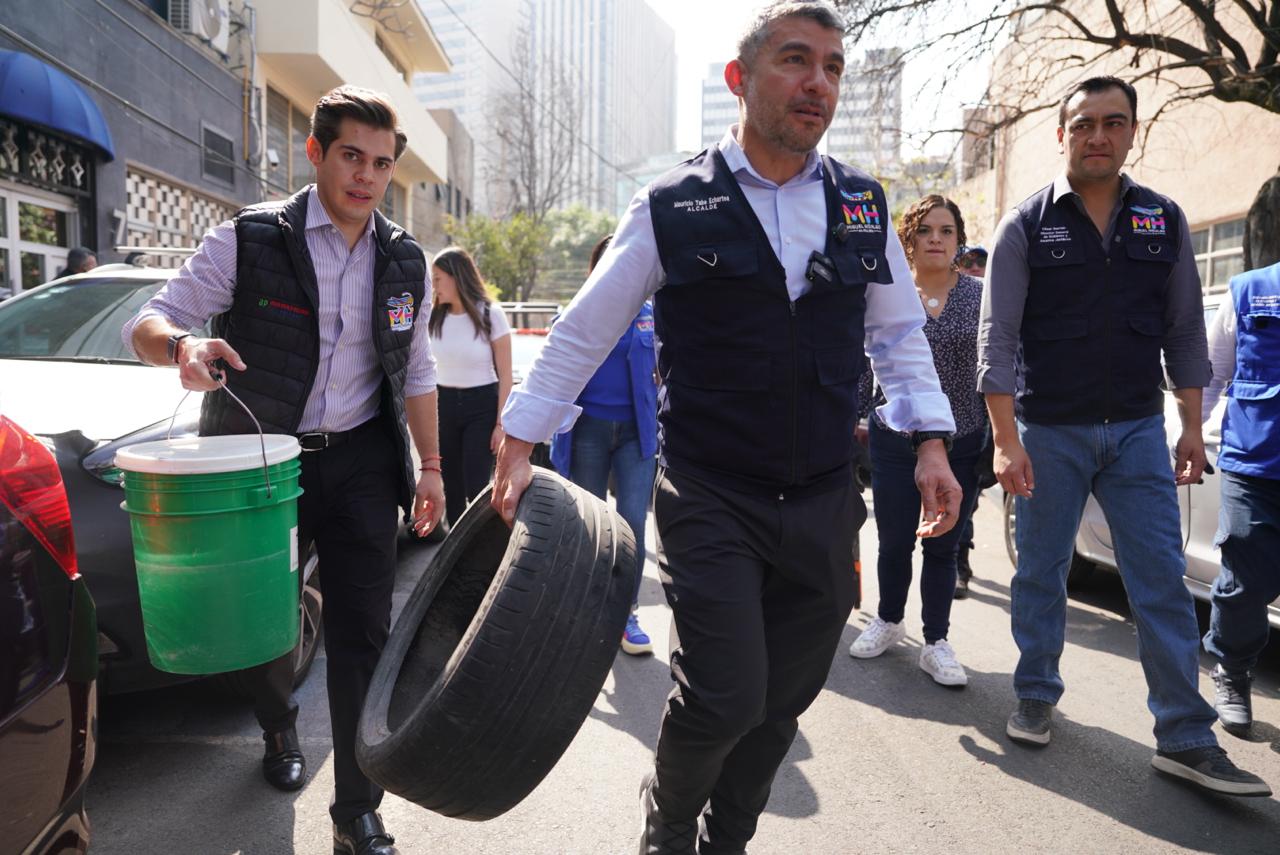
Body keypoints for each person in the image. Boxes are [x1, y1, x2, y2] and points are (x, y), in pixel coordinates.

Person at [491, 4, 963, 852]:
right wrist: (519, 441)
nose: (818, 83)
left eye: (832, 67)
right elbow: (586, 327)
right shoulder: (673, 203)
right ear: (740, 80)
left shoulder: (861, 204)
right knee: (725, 692)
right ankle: (670, 824)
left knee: (783, 700)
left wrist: (930, 441)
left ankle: (728, 836)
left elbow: (897, 336)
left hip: (823, 496)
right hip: (711, 493)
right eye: (795, 60)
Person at [123, 85, 444, 855]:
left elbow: (417, 369)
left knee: (364, 635)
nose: (366, 176)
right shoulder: (249, 239)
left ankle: (355, 810)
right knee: (263, 626)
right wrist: (182, 348)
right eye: (351, 157)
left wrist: (431, 466)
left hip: (363, 461)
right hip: (261, 465)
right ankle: (277, 724)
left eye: (381, 164)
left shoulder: (405, 259)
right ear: (315, 152)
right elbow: (149, 320)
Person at [979, 75, 1268, 796]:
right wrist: (1006, 439)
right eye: (1083, 124)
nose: (1097, 136)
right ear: (1062, 134)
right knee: (1041, 571)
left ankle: (1186, 735)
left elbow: (1185, 331)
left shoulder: (1161, 220)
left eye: (1112, 122)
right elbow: (997, 339)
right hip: (1049, 430)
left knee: (1161, 581)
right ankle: (1036, 691)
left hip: (1138, 430)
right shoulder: (1025, 225)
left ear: (1132, 132)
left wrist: (1192, 427)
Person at [849, 195, 987, 687]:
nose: (935, 239)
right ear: (907, 239)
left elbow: (997, 364)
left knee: (944, 546)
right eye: (925, 230)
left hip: (962, 439)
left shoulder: (979, 296)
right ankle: (888, 619)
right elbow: (867, 358)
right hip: (895, 438)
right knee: (894, 541)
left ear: (958, 240)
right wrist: (855, 414)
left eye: (946, 231)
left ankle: (936, 641)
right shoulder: (889, 293)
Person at [550, 234, 659, 656]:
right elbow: (555, 368)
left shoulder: (651, 315)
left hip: (637, 434)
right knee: (591, 526)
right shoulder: (578, 312)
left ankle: (625, 613)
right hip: (588, 431)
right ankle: (590, 609)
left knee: (631, 524)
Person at [1200, 257, 1280, 736]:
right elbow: (1213, 373)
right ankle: (1231, 670)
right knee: (1244, 582)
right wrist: (1191, 433)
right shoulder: (1249, 290)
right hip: (1255, 463)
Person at [428, 246, 512, 528]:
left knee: (476, 485)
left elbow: (506, 375)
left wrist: (501, 425)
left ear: (456, 277)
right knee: (450, 484)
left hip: (482, 405)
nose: (434, 286)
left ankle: (482, 545)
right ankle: (455, 546)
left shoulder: (491, 314)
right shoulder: (434, 316)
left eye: (438, 279)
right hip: (443, 405)